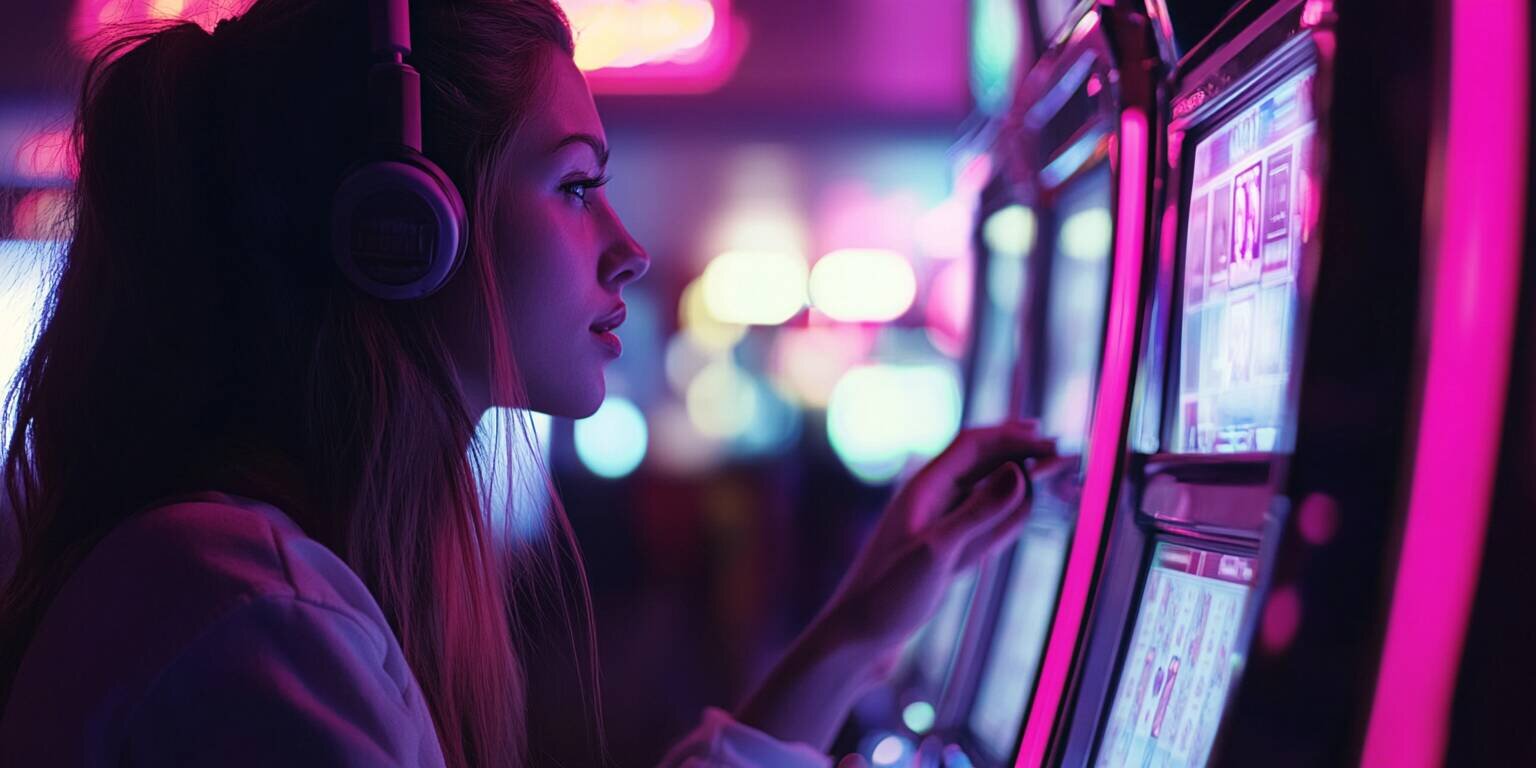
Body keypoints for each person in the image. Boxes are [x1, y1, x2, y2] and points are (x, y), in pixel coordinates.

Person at [0, 1, 1056, 765]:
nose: (629, 249)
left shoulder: (265, 569)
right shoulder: (249, 606)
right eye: (576, 185)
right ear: (403, 227)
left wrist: (863, 624)